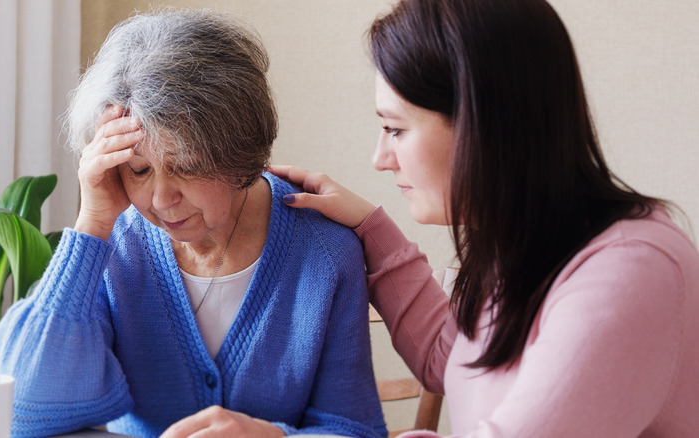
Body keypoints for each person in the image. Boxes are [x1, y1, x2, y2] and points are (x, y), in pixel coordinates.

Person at [271, 0, 699, 436]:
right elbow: (448, 362)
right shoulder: (520, 247)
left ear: (482, 125)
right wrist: (370, 228)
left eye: (395, 128)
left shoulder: (633, 271)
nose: (380, 159)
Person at [0, 9, 387, 438]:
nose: (161, 199)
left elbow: (354, 430)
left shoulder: (324, 252)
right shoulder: (111, 246)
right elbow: (21, 413)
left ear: (238, 153)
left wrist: (273, 437)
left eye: (187, 167)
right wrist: (92, 224)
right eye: (138, 171)